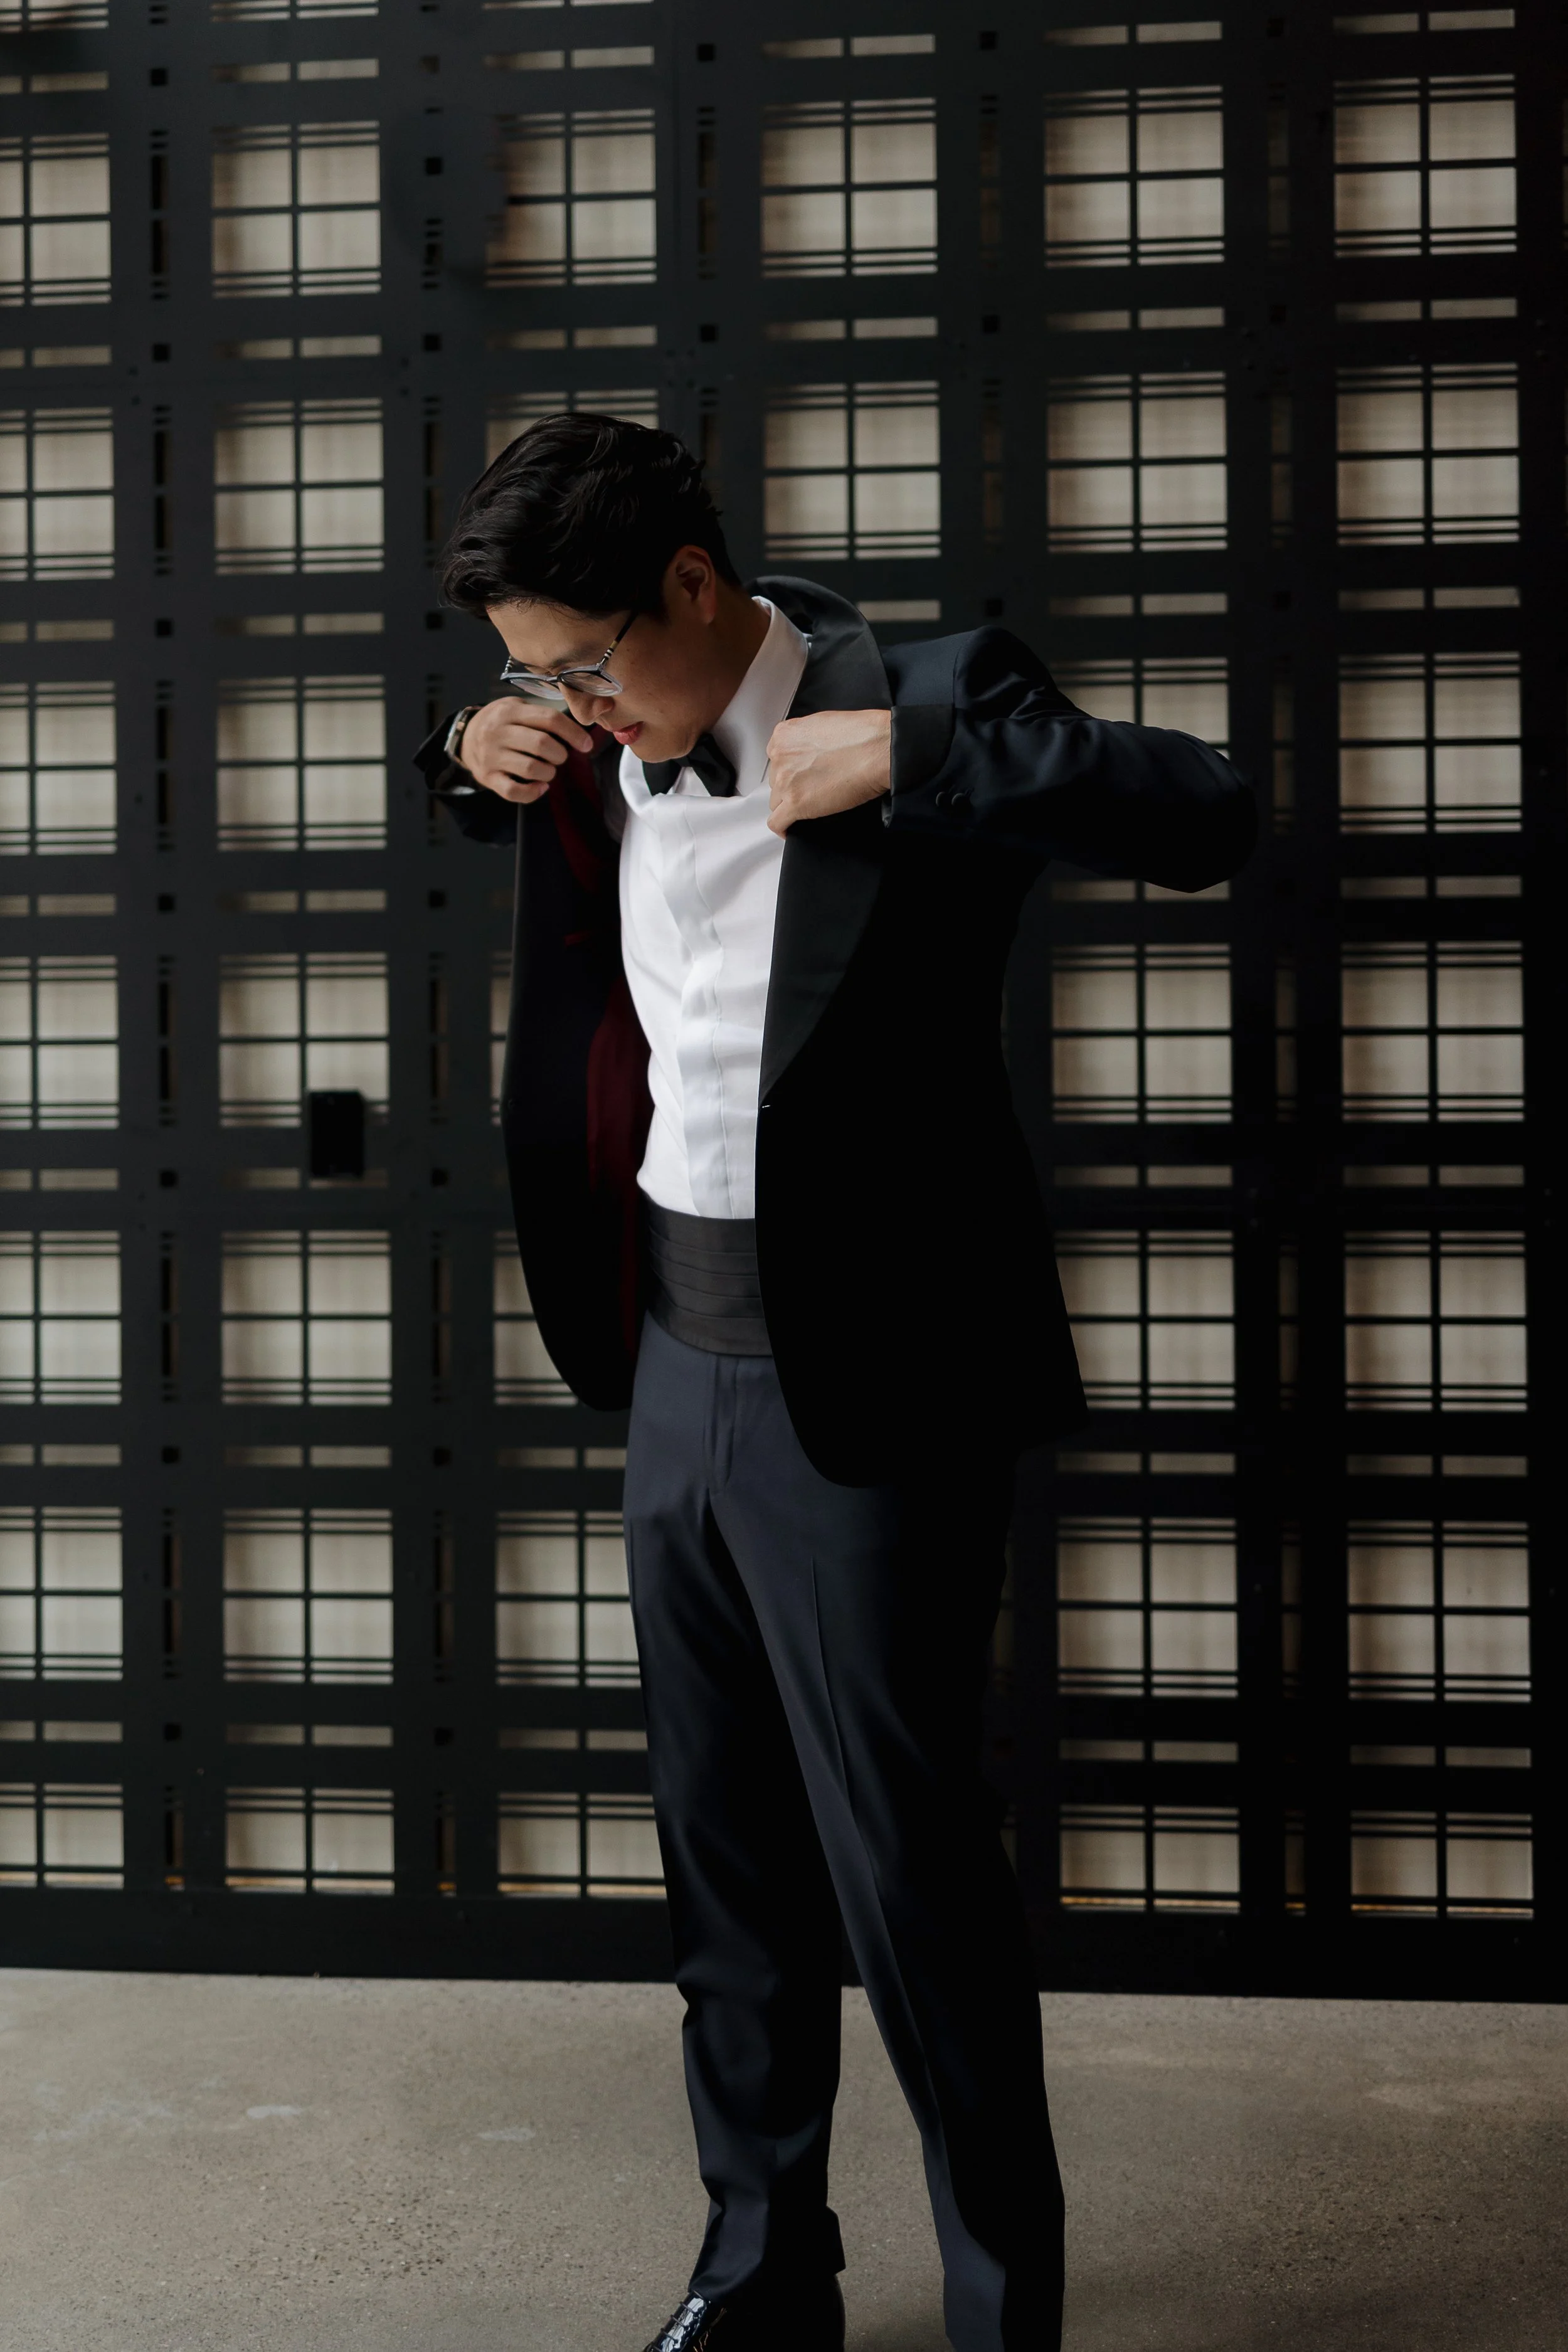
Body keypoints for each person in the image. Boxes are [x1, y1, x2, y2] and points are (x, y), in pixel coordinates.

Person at [415, 414, 1255, 2352]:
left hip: (870, 1379)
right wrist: (470, 744)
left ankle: (996, 2304)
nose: (564, 702)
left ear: (695, 591)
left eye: (584, 663)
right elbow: (495, 771)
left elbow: (1207, 811)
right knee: (725, 1867)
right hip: (666, 1353)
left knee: (911, 1881)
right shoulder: (581, 731)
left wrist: (927, 756)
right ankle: (760, 2261)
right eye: (527, 672)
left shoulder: (934, 690)